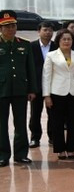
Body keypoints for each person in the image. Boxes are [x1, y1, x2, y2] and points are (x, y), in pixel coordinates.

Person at [42, 29, 74, 159]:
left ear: (73, 41)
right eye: (64, 39)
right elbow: (46, 76)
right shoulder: (51, 55)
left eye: (69, 39)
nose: (67, 41)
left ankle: (72, 148)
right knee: (57, 122)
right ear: (59, 41)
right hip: (56, 93)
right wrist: (47, 95)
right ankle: (60, 149)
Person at [0, 10, 36, 166]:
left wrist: (32, 89)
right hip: (1, 90)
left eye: (13, 26)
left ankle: (21, 154)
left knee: (20, 123)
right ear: (1, 28)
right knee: (1, 124)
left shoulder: (25, 44)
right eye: (7, 26)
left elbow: (31, 69)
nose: (11, 29)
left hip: (20, 90)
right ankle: (2, 155)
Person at [29, 21, 56, 148]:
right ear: (39, 31)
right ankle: (35, 137)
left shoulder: (57, 46)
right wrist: (30, 88)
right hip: (36, 86)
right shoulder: (31, 46)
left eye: (50, 30)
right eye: (45, 30)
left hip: (54, 86)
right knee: (35, 113)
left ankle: (52, 136)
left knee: (53, 113)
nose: (48, 33)